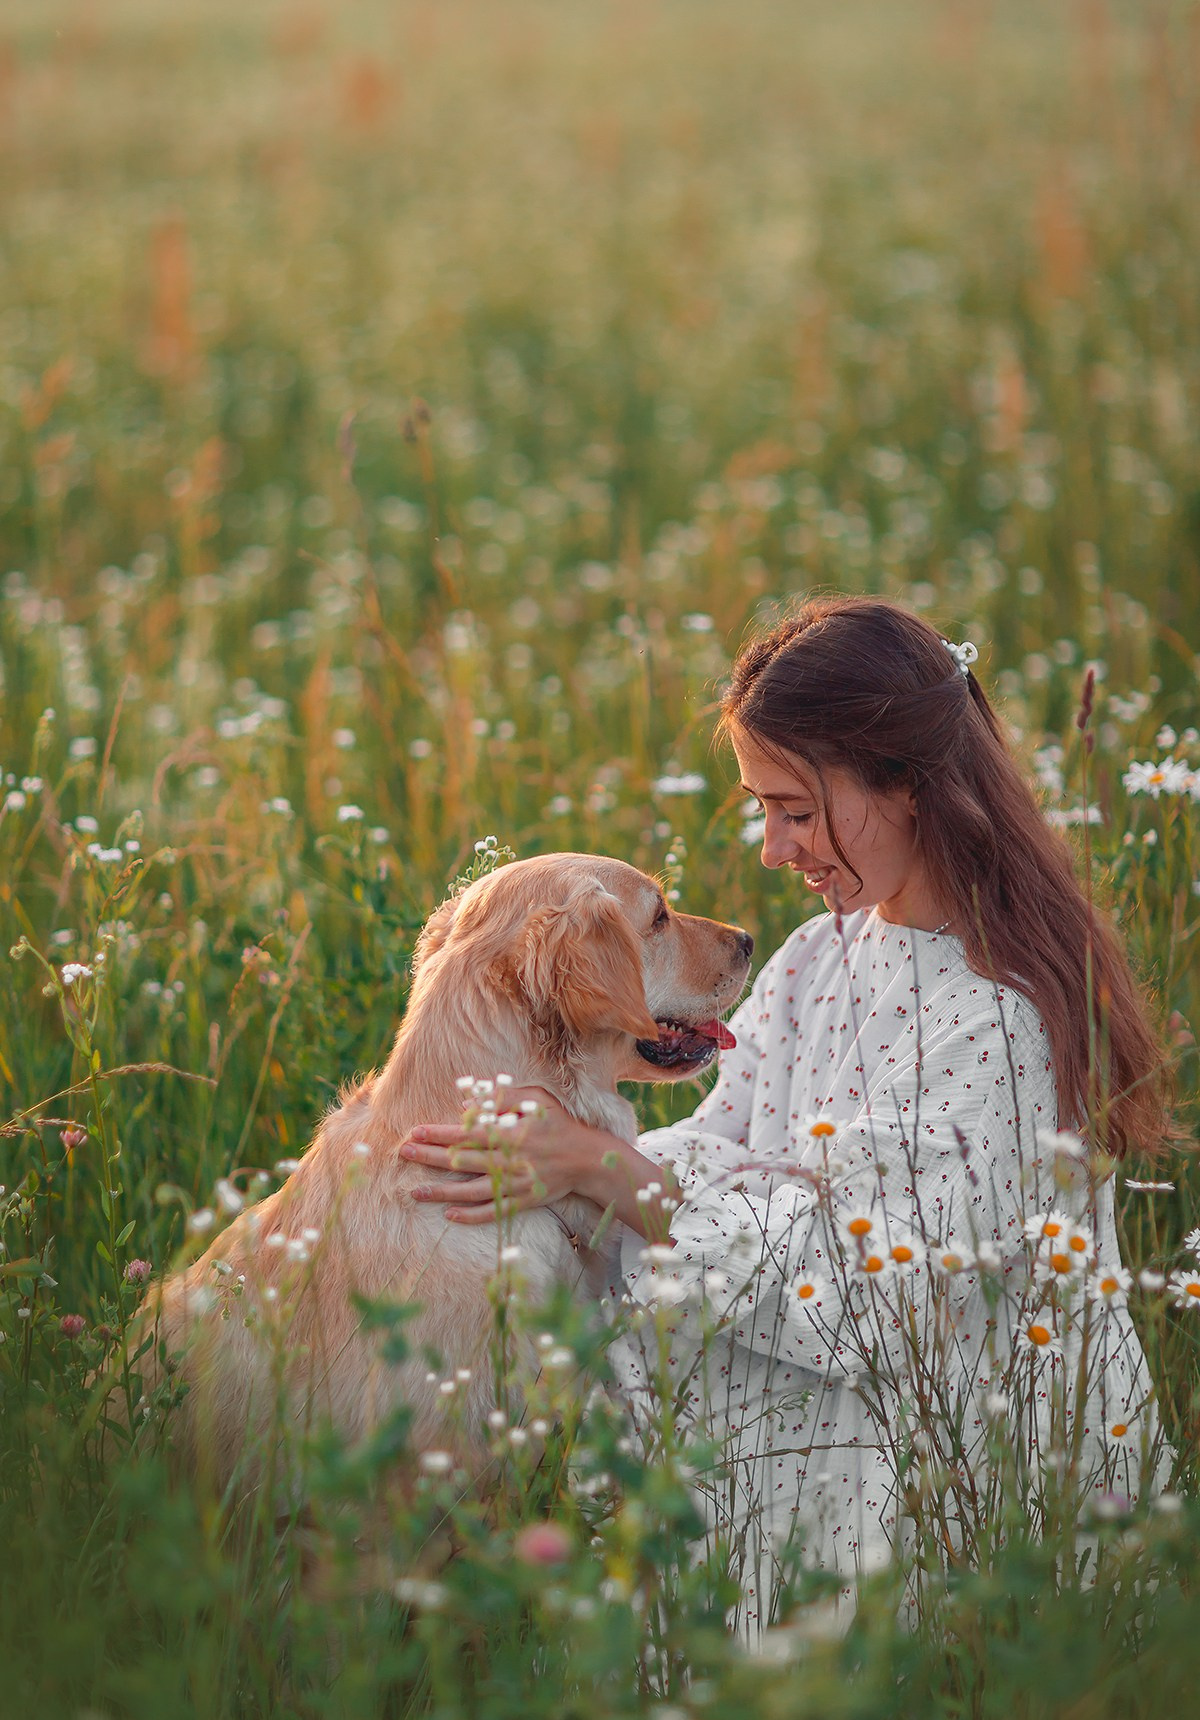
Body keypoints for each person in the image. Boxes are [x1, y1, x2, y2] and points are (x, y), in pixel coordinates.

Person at [400, 596, 1171, 1627]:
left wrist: (610, 1171)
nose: (772, 849)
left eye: (796, 811)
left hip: (952, 1490)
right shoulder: (821, 958)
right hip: (821, 1425)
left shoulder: (999, 1025)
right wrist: (578, 1165)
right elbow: (718, 1147)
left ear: (909, 786)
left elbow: (868, 1302)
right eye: (762, 810)